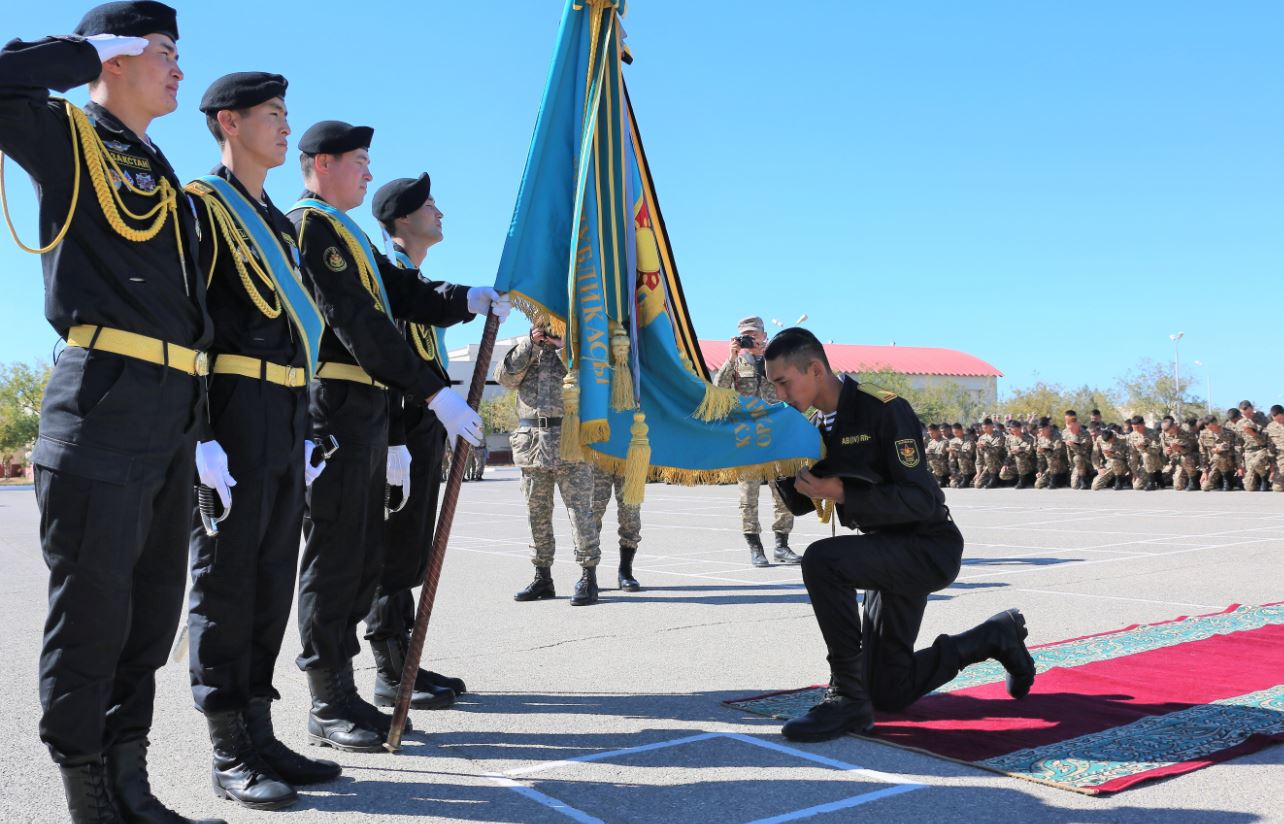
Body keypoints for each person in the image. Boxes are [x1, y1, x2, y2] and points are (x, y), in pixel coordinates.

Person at [0, 5, 225, 821]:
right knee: (94, 609)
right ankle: (87, 790)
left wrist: (201, 431)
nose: (177, 68)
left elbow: (188, 313)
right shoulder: (69, 136)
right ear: (120, 57)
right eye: (162, 51)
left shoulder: (159, 168)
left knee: (152, 607)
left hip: (168, 408)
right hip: (102, 400)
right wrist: (84, 49)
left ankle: (130, 779)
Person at [289, 121, 494, 752]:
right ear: (322, 164)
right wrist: (432, 394)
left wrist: (467, 297)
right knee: (336, 554)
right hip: (336, 402)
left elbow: (402, 293)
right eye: (358, 161)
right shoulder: (311, 225)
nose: (368, 173)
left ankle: (345, 692)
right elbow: (360, 323)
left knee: (362, 557)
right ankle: (328, 697)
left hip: (368, 404)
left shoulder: (345, 231)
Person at [184, 71, 341, 811]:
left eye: (286, 114)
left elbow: (301, 338)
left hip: (283, 411)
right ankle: (226, 748)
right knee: (226, 582)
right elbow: (188, 323)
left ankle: (259, 729)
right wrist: (200, 432)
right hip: (232, 408)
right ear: (228, 122)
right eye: (272, 115)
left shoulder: (277, 224)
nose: (284, 127)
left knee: (272, 576)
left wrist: (310, 424)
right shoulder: (203, 209)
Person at [761, 329, 1034, 741]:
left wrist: (842, 493)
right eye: (774, 384)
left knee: (822, 560)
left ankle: (846, 700)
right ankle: (995, 636)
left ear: (815, 369)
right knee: (890, 692)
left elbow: (921, 500)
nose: (780, 394)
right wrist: (774, 457)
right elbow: (800, 504)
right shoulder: (815, 427)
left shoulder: (882, 409)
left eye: (784, 382)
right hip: (882, 555)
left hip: (925, 546)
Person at [363, 173, 481, 716]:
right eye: (430, 206)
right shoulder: (383, 276)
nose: (440, 213)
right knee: (390, 553)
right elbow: (381, 362)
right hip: (398, 428)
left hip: (421, 428)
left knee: (410, 550)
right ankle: (389, 672)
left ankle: (406, 657)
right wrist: (392, 439)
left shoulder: (413, 278)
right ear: (402, 219)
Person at [495, 322, 604, 605]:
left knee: (580, 511)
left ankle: (588, 576)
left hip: (569, 441)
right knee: (537, 511)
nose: (547, 332)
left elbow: (593, 381)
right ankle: (543, 577)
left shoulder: (576, 351)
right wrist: (530, 345)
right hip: (532, 443)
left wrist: (562, 347)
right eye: (542, 327)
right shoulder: (527, 351)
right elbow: (504, 378)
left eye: (551, 326)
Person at [711, 316, 801, 566]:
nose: (750, 339)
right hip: (748, 437)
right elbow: (719, 390)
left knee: (783, 492)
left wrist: (771, 356)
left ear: (763, 335)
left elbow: (793, 389)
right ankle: (755, 547)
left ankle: (782, 546)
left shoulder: (775, 359)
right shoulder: (737, 363)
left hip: (775, 436)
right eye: (745, 335)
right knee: (748, 496)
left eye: (754, 334)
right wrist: (731, 359)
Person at [591, 466, 643, 590]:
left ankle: (625, 571)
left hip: (630, 456)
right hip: (598, 455)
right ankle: (588, 574)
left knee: (631, 514)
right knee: (591, 514)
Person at [1198, 416, 1237, 492]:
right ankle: (1218, 480)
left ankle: (1228, 479)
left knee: (1217, 456)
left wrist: (1221, 450)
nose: (1210, 430)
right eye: (1208, 428)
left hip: (1228, 464)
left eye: (1212, 427)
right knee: (1205, 487)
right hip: (1212, 464)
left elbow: (1236, 450)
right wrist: (1204, 471)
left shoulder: (1229, 433)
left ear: (1216, 423)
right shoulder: (1203, 434)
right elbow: (1203, 454)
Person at [1034, 418, 1066, 489]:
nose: (1041, 433)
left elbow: (1057, 454)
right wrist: (1040, 471)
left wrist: (1045, 449)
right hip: (1049, 467)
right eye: (1039, 431)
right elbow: (1040, 458)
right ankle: (1052, 478)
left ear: (1048, 428)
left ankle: (1054, 481)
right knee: (1038, 485)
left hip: (1061, 465)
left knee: (1051, 457)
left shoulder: (1057, 436)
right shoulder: (1041, 438)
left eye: (1042, 430)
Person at [1265, 405, 1284, 492]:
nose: (1279, 422)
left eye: (1280, 419)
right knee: (1277, 489)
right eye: (1276, 420)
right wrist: (1272, 465)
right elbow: (1270, 446)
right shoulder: (1270, 427)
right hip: (1280, 456)